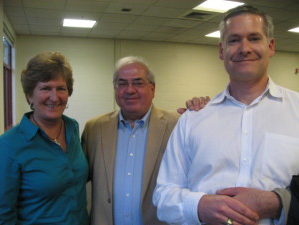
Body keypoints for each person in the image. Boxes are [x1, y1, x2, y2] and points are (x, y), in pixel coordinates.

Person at [153, 5, 299, 225]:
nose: (244, 48)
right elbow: (164, 195)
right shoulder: (194, 119)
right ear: (221, 51)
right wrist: (199, 206)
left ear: (270, 46)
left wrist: (276, 202)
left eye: (254, 38)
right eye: (234, 40)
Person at [81, 56, 209, 225]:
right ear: (115, 89)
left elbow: (202, 173)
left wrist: (206, 114)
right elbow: (76, 178)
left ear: (153, 89)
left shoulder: (177, 124)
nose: (130, 90)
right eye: (122, 83)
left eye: (138, 83)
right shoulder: (95, 128)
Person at [0, 52, 89, 224]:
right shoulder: (8, 146)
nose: (54, 97)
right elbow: (3, 214)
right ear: (30, 95)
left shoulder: (73, 128)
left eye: (61, 88)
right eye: (45, 88)